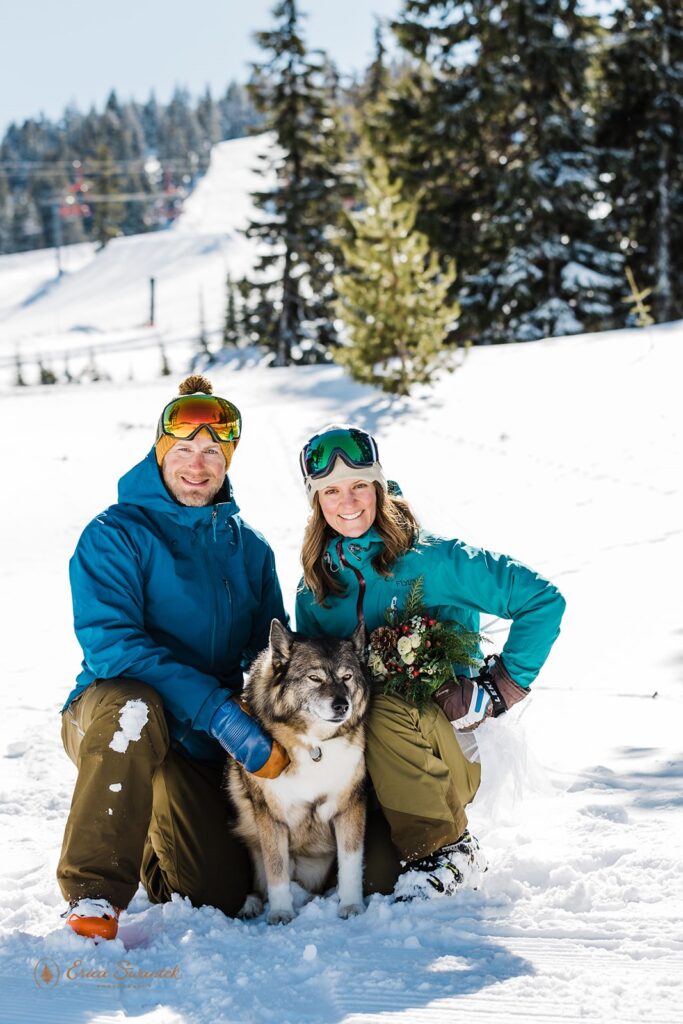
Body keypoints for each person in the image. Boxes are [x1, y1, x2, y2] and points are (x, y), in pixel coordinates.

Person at [58, 375, 288, 940]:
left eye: (213, 451)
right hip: (111, 712)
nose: (198, 464)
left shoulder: (250, 548)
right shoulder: (115, 533)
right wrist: (216, 709)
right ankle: (94, 894)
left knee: (222, 894)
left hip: (201, 740)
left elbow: (269, 653)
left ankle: (149, 839)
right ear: (161, 452)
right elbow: (113, 646)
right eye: (184, 449)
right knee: (136, 709)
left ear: (227, 461)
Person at [295, 424, 566, 898]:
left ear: (379, 486)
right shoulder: (316, 590)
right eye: (331, 490)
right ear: (316, 501)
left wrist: (500, 688)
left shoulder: (434, 559)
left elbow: (542, 600)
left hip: (450, 745)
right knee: (374, 879)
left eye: (360, 484)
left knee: (384, 704)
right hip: (369, 768)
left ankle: (450, 849)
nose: (349, 501)